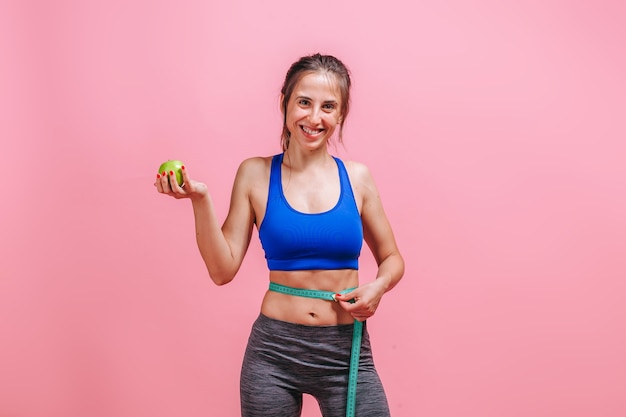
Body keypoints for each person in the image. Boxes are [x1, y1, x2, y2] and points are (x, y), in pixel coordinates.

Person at [154, 53, 404, 417]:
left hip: (345, 352)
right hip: (274, 353)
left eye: (328, 107)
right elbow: (221, 270)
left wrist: (378, 287)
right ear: (285, 103)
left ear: (340, 115)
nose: (314, 118)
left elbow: (393, 259)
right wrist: (200, 199)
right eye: (304, 102)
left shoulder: (358, 178)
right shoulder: (255, 174)